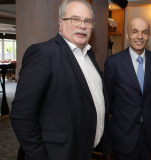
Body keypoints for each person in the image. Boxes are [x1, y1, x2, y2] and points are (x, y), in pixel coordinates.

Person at [10, 0, 111, 159]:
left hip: (83, 151)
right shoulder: (43, 54)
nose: (82, 25)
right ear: (60, 23)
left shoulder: (89, 55)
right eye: (75, 19)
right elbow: (21, 116)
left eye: (87, 21)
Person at [104, 17, 151, 160]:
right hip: (124, 135)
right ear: (127, 35)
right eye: (134, 31)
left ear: (149, 36)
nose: (139, 36)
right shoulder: (113, 62)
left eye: (144, 32)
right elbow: (109, 98)